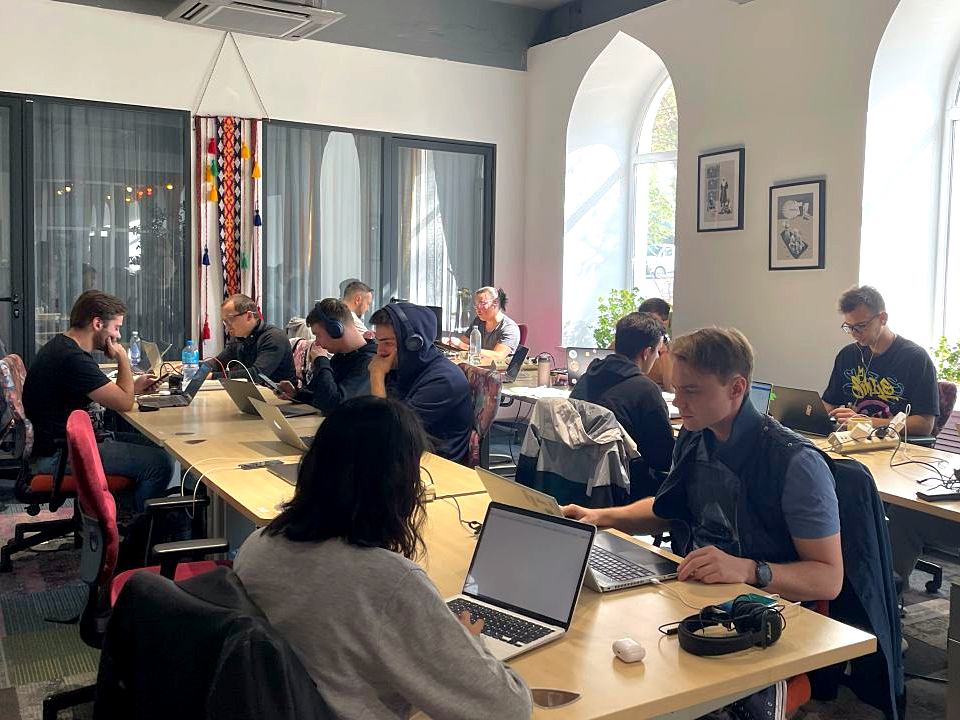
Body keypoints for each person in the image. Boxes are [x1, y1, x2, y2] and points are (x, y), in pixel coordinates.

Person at [233, 396, 531, 720]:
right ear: (397, 486)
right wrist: (470, 643)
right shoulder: (387, 582)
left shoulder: (256, 547)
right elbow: (508, 710)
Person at [564, 327, 843, 602]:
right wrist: (600, 517)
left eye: (691, 391)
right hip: (694, 590)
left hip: (762, 609)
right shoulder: (694, 436)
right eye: (676, 389)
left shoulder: (796, 463)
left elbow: (828, 579)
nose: (678, 402)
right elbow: (669, 509)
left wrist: (748, 570)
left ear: (736, 388)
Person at [23, 291, 174, 512]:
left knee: (159, 447)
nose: (118, 336)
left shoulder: (65, 347)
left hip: (65, 444)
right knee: (160, 464)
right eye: (116, 328)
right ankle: (134, 526)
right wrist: (122, 357)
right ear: (97, 324)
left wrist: (134, 387)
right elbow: (124, 403)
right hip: (59, 455)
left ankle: (120, 513)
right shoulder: (72, 359)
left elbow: (110, 394)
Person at [570, 312, 674, 500]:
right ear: (646, 352)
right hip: (626, 485)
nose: (657, 358)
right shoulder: (645, 390)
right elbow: (663, 458)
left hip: (578, 476)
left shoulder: (587, 378)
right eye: (657, 352)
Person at [822, 285, 938, 435]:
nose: (854, 333)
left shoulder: (916, 358)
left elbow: (924, 424)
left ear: (883, 318)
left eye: (861, 326)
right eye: (849, 327)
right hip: (852, 440)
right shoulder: (847, 355)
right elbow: (829, 404)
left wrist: (865, 422)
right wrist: (813, 415)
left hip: (895, 444)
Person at [368, 302, 473, 462]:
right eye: (378, 342)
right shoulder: (403, 368)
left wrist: (376, 376)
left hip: (433, 464)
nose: (379, 351)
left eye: (388, 343)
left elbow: (389, 434)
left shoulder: (444, 380)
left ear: (414, 344)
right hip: (404, 455)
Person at [274, 299, 376, 414]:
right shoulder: (342, 355)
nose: (316, 342)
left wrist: (321, 360)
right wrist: (297, 394)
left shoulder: (369, 362)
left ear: (336, 330)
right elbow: (321, 395)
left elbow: (335, 405)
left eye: (318, 335)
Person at [215, 293, 295, 383]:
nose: (227, 326)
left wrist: (212, 376)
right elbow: (218, 363)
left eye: (230, 319)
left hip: (276, 391)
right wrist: (203, 370)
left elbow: (257, 375)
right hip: (252, 390)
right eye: (225, 321)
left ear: (249, 316)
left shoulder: (274, 337)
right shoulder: (239, 338)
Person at [444, 287, 520, 362]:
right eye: (476, 305)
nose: (477, 309)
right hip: (475, 366)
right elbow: (463, 341)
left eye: (482, 303)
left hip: (495, 369)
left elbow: (498, 356)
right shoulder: (478, 321)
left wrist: (463, 346)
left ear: (495, 303)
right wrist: (451, 343)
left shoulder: (509, 328)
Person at [638, 297, 675, 392]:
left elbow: (671, 388)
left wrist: (663, 352)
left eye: (654, 320)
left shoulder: (672, 349)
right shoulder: (625, 342)